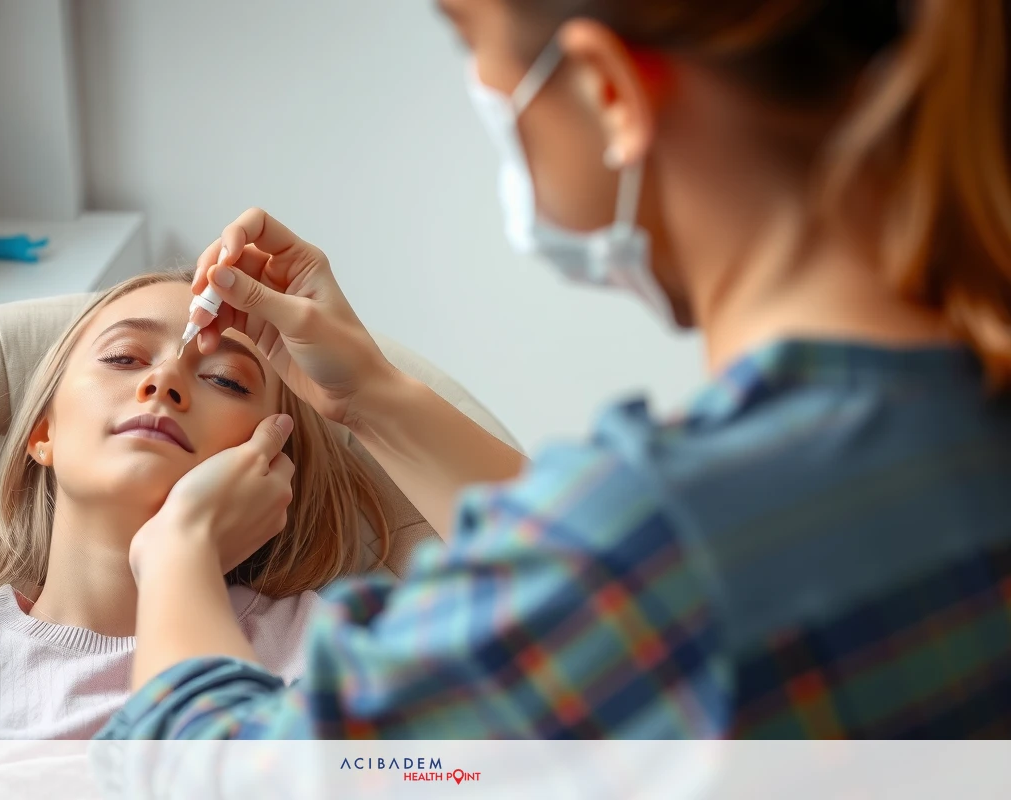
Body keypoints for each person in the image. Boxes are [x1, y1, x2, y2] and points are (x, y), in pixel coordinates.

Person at [97, 0, 1011, 755]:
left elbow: (216, 774)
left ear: (609, 91)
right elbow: (621, 592)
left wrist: (177, 550)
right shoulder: (945, 416)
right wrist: (366, 392)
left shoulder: (664, 543)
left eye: (471, 46)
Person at [0, 270, 389, 743]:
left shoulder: (332, 649)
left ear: (270, 463)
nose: (164, 381)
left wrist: (180, 553)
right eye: (122, 358)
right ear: (43, 433)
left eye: (227, 380)